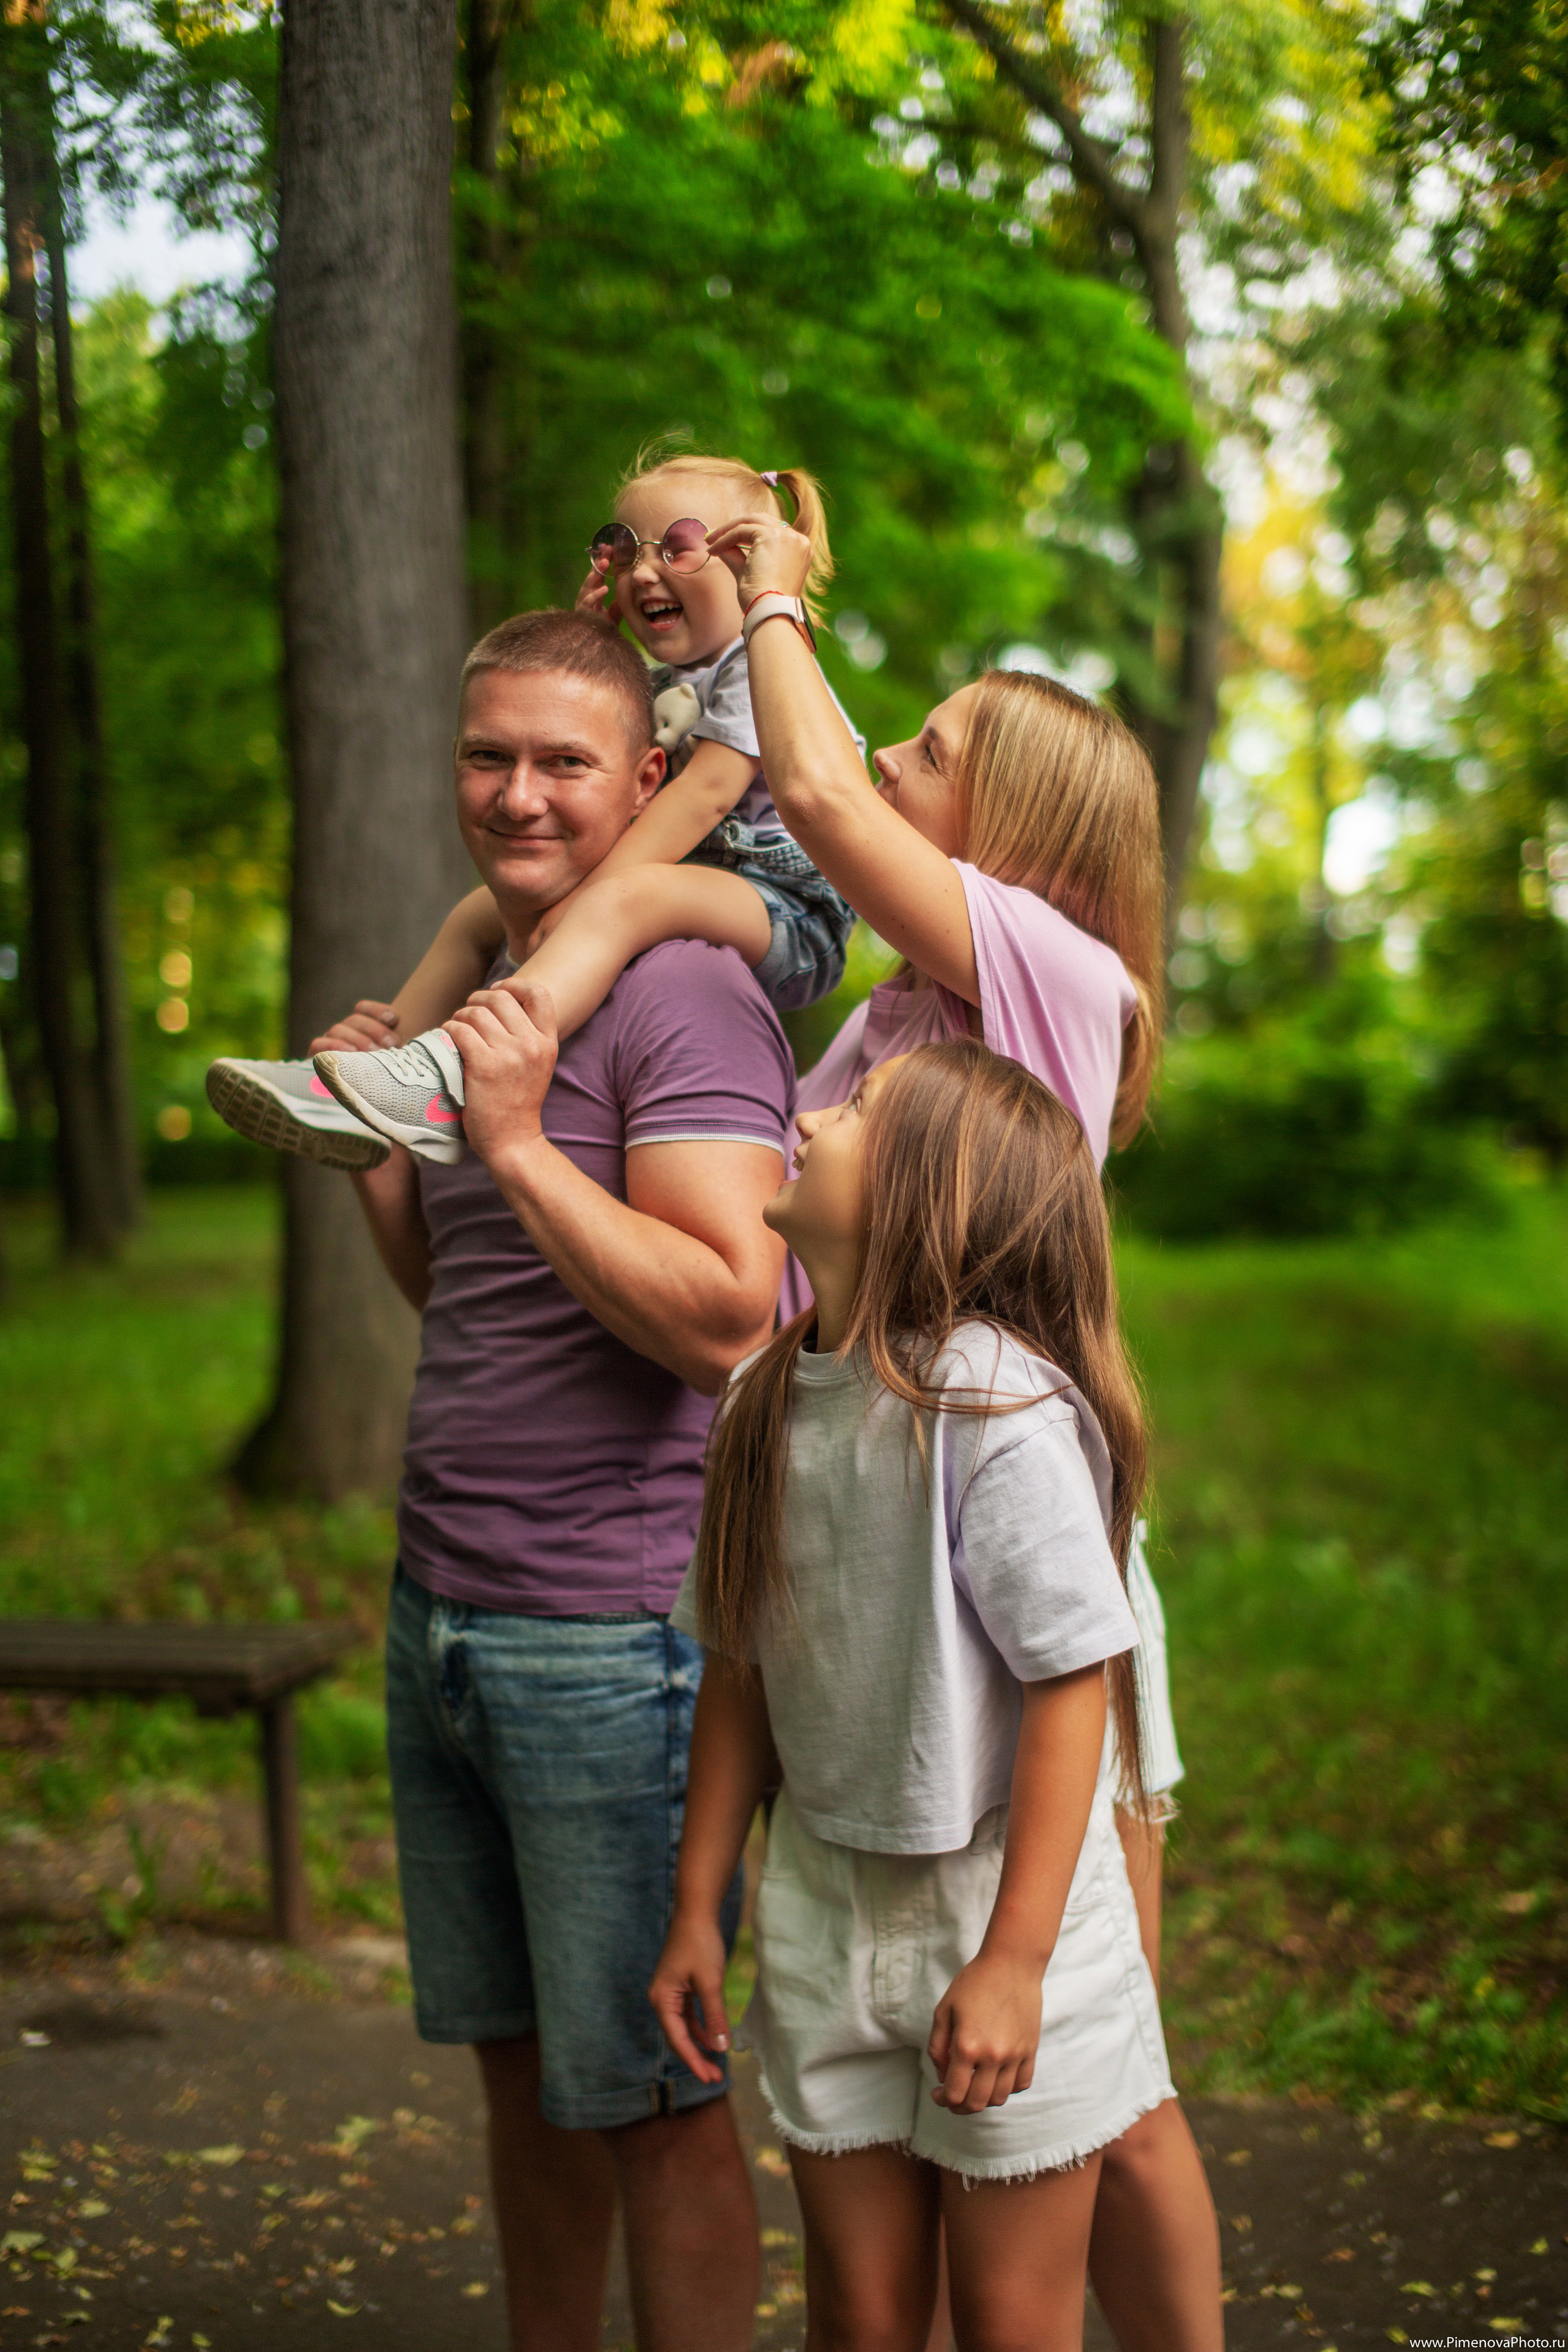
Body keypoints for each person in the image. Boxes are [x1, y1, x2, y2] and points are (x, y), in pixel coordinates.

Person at [699, 505, 1224, 2352]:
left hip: (1015, 1562)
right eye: (900, 730)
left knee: (1107, 2069)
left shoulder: (1059, 993)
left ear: (1021, 837)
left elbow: (827, 801)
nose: (889, 761)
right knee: (1042, 2082)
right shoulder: (895, 1020)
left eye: (936, 750)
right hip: (870, 1524)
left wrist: (774, 593)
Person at [339, 607, 797, 2352]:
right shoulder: (494, 997)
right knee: (525, 2075)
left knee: (654, 2097)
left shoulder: (678, 990)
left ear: (650, 780)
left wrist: (517, 1140)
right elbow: (477, 1311)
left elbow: (724, 1319)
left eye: (562, 762)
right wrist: (390, 1161)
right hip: (441, 1617)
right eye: (488, 756)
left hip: (614, 1643)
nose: (517, 796)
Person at [652, 1040, 1173, 2351]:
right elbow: (738, 1673)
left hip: (1002, 1908)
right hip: (824, 1911)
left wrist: (1012, 1961)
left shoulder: (991, 1410)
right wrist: (697, 1908)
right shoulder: (759, 1403)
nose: (811, 1111)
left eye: (858, 1108)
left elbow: (1072, 1686)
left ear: (931, 1192)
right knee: (863, 2318)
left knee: (1010, 2321)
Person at [205, 449, 858, 1169]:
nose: (642, 572)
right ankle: (372, 1076)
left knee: (623, 902)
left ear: (747, 570)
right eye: (625, 549)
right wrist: (596, 642)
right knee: (477, 913)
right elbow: (610, 729)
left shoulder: (760, 659)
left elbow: (704, 794)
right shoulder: (677, 675)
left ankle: (456, 1072)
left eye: (676, 547)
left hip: (792, 912)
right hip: (710, 883)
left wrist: (592, 898)